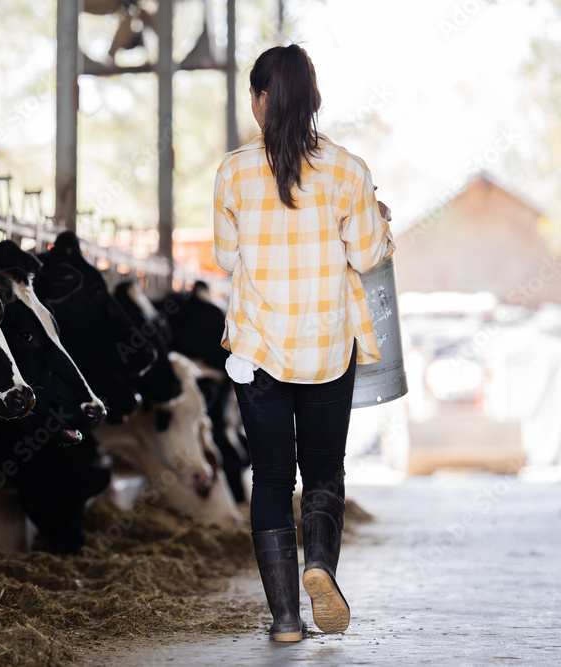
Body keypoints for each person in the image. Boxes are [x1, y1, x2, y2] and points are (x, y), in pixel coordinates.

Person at [212, 44, 394, 642]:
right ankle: (319, 564)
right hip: (325, 349)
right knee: (322, 473)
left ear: (262, 101)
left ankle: (286, 620)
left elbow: (225, 257)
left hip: (258, 352)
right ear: (314, 101)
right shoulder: (348, 170)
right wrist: (380, 219)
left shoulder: (234, 171)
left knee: (270, 479)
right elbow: (368, 257)